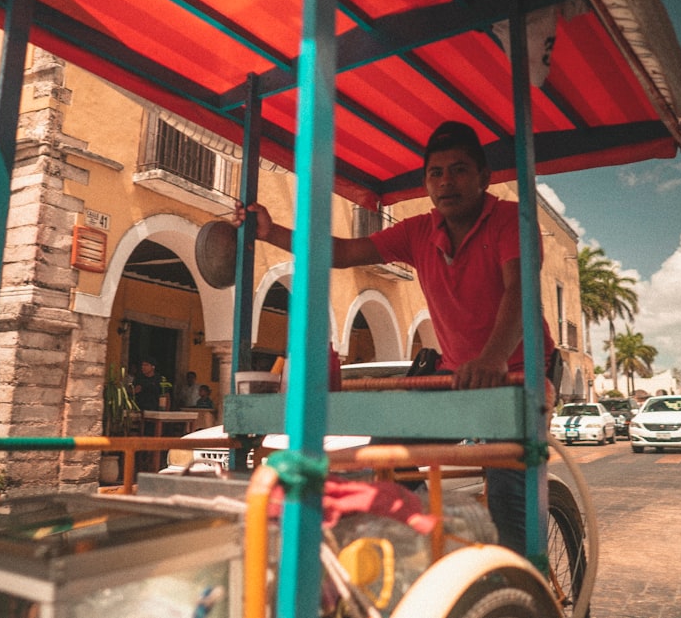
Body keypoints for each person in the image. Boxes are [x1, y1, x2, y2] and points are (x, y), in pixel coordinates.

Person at [233, 120, 554, 556]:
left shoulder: (511, 221)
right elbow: (343, 253)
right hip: (456, 378)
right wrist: (271, 233)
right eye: (435, 173)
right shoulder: (418, 230)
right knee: (383, 458)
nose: (446, 181)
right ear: (426, 183)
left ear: (484, 178)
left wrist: (494, 359)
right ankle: (425, 542)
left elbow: (521, 290)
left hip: (517, 374)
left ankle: (527, 596)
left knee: (508, 497)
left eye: (459, 170)